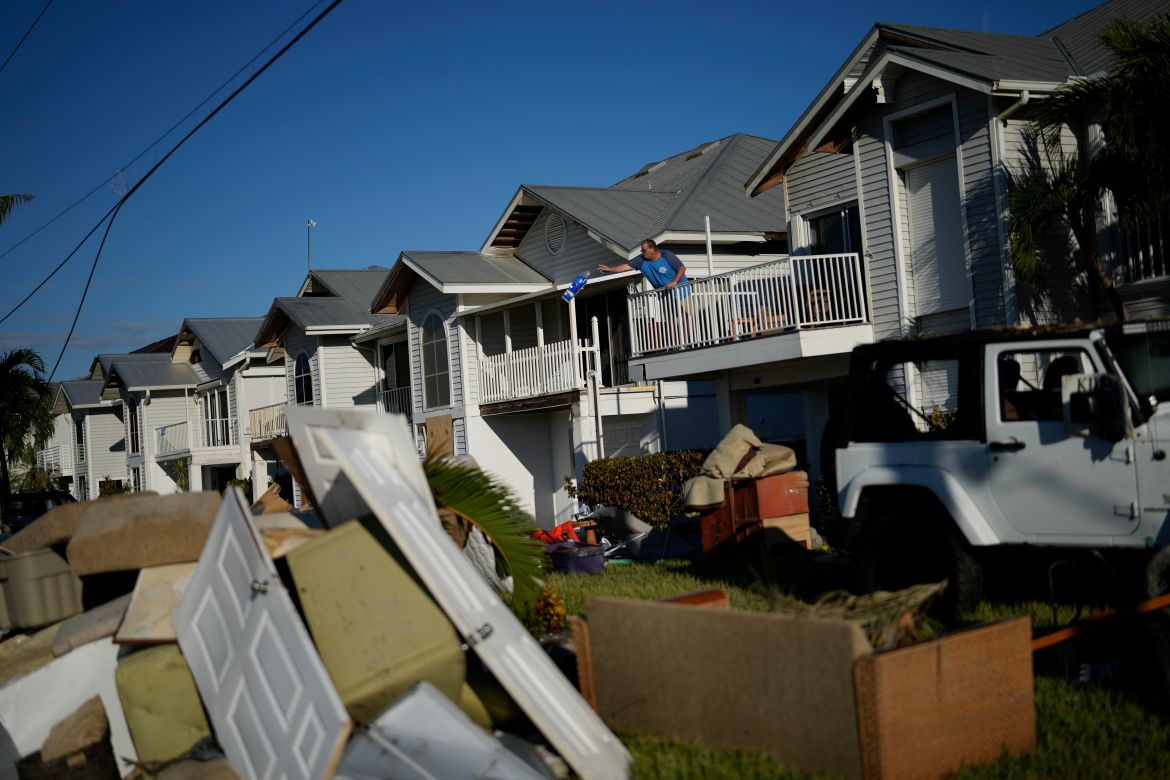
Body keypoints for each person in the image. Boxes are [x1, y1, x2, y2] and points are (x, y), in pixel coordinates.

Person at [598, 239, 688, 290]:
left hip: (682, 290)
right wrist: (610, 269)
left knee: (688, 319)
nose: (642, 252)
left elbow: (682, 268)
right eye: (641, 250)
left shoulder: (666, 255)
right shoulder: (641, 260)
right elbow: (625, 267)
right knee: (671, 322)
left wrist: (674, 282)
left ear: (652, 248)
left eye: (644, 250)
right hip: (665, 295)